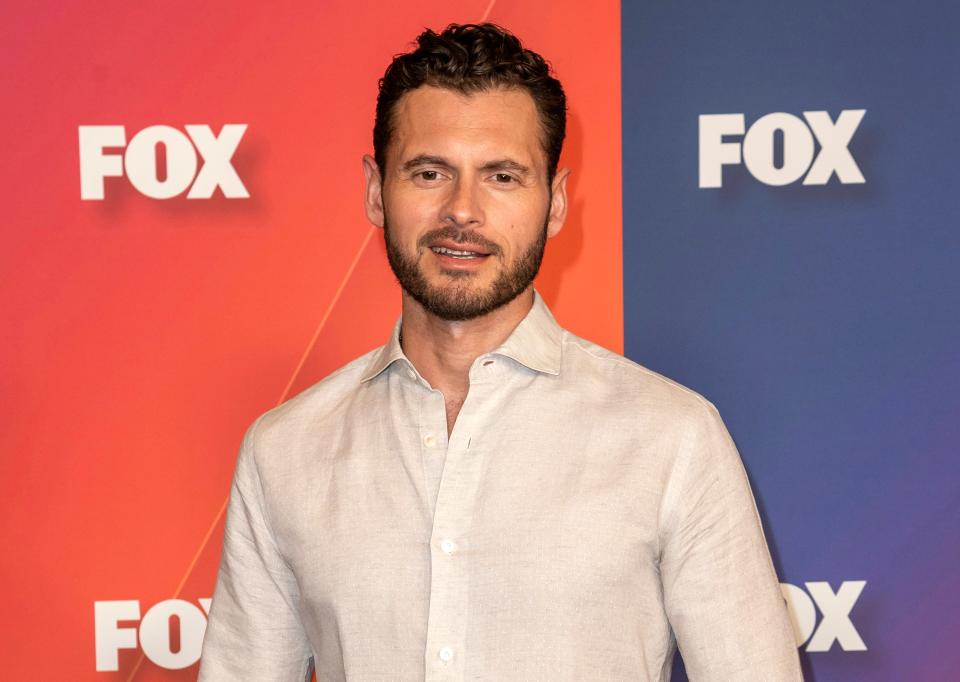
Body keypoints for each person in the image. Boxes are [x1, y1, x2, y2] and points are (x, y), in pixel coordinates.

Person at [198, 23, 802, 681]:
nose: (463, 210)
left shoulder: (672, 438)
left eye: (503, 177)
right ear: (377, 191)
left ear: (556, 202)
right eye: (429, 173)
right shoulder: (285, 451)